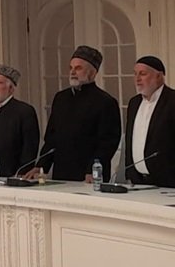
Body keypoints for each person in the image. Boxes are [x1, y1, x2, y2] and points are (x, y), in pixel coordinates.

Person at [25, 46, 121, 182]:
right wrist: (41, 166)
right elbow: (51, 139)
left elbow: (108, 143)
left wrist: (93, 170)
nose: (73, 72)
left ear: (92, 73)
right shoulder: (60, 98)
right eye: (71, 68)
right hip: (62, 173)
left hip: (90, 176)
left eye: (78, 68)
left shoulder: (105, 102)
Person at [123, 56, 175, 187]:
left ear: (159, 76)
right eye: (135, 74)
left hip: (168, 181)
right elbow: (130, 139)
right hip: (138, 181)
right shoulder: (134, 103)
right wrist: (129, 173)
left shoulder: (172, 101)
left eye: (143, 74)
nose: (137, 79)